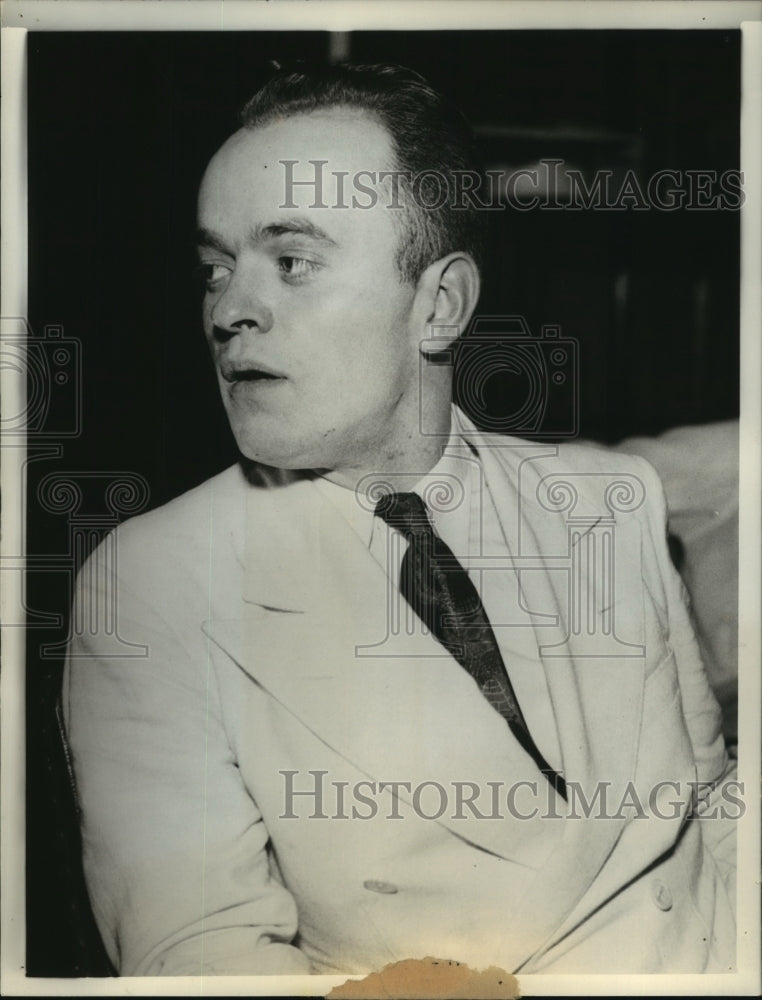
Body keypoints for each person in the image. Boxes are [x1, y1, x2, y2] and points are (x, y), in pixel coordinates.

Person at [63, 63, 736, 978]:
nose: (228, 308)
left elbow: (714, 813)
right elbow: (203, 957)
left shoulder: (609, 501)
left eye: (290, 261)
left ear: (440, 305)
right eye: (215, 268)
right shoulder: (153, 580)